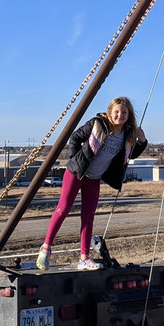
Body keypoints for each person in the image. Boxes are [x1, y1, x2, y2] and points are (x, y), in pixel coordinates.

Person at [37, 97, 147, 270]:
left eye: (124, 112)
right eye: (116, 112)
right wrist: (75, 160)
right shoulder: (98, 124)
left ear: (129, 114)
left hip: (94, 179)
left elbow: (130, 155)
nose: (120, 115)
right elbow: (74, 138)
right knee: (63, 208)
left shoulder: (128, 134)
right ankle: (45, 249)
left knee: (88, 217)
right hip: (76, 173)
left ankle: (84, 258)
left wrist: (143, 141)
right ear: (110, 112)